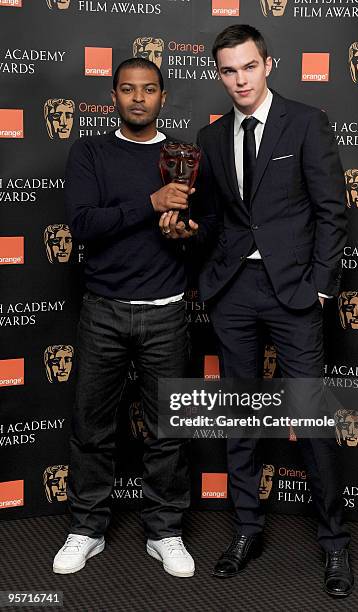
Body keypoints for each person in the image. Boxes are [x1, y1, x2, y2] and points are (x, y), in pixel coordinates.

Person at [161, 24, 353, 597]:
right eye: (228, 70)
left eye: (248, 66)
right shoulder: (211, 138)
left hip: (295, 292)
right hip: (234, 292)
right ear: (218, 74)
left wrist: (321, 287)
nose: (240, 80)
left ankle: (335, 544)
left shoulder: (306, 121)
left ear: (268, 64)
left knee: (312, 418)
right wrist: (189, 231)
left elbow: (331, 210)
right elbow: (218, 221)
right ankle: (246, 528)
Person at [52, 57, 195, 578]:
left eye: (149, 89)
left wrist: (186, 233)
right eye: (129, 90)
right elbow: (85, 224)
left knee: (169, 430)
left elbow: (204, 231)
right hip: (104, 310)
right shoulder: (89, 151)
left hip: (166, 311)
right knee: (92, 427)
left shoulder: (184, 157)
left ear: (163, 96)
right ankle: (86, 528)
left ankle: (166, 532)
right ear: (113, 95)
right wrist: (149, 202)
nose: (139, 98)